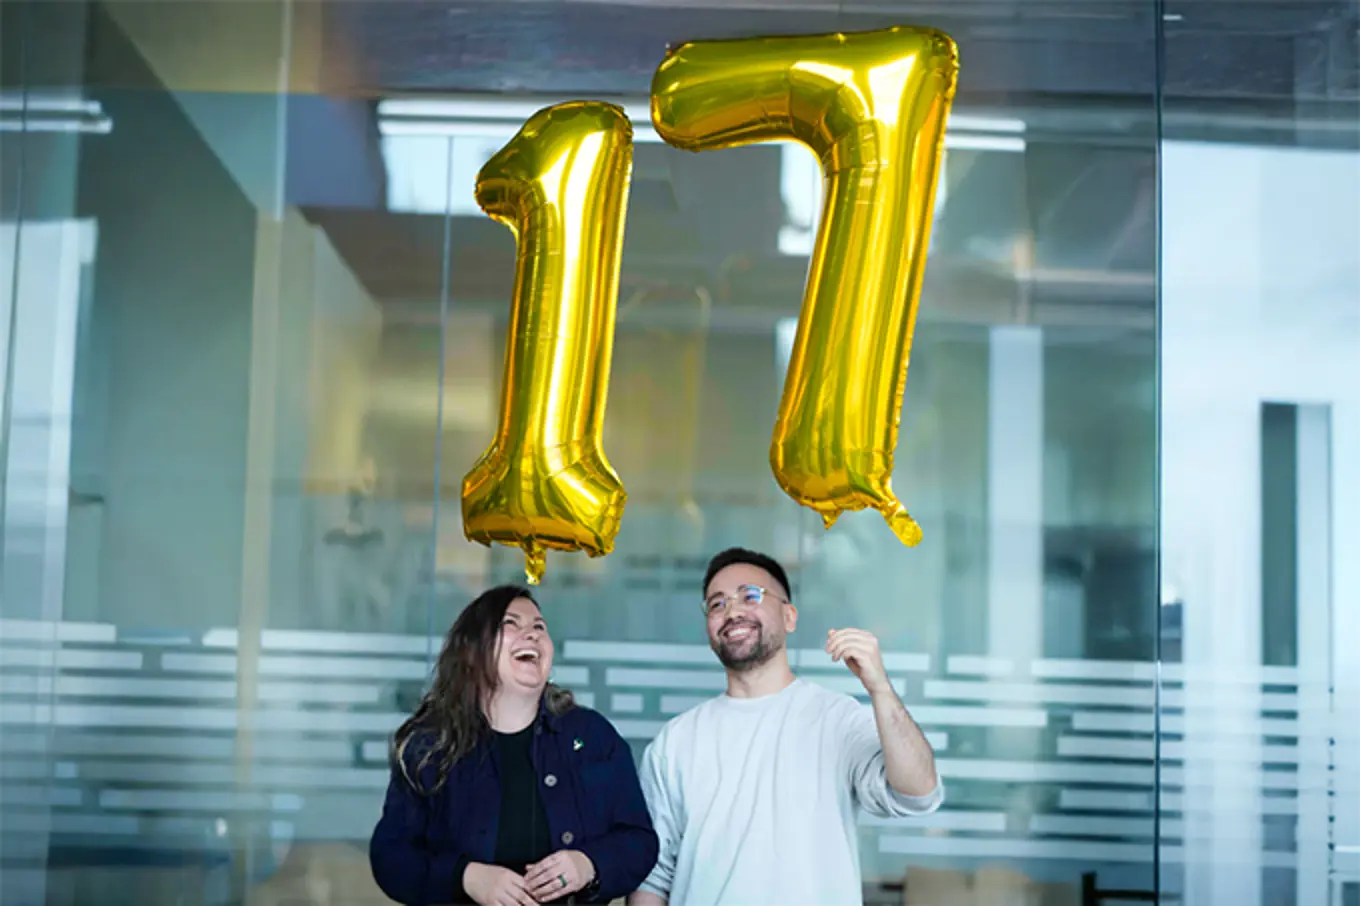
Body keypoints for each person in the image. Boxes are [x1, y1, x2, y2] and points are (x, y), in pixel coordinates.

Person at [627, 548, 943, 906]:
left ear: (789, 616)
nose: (732, 611)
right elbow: (653, 875)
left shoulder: (836, 718)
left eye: (750, 595)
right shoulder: (676, 741)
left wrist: (880, 689)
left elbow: (917, 793)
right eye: (717, 605)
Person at [371, 585, 658, 906]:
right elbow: (391, 857)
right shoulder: (431, 746)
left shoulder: (591, 736)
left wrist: (588, 864)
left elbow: (639, 841)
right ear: (471, 651)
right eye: (511, 624)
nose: (532, 634)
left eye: (539, 627)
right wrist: (466, 876)